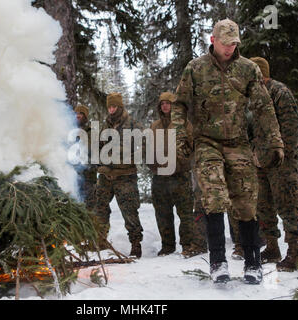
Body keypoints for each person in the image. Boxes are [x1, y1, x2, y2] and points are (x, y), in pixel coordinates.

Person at [171, 19, 284, 284]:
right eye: (225, 43)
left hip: (238, 143)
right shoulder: (195, 69)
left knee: (246, 203)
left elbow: (264, 108)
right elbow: (179, 105)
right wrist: (179, 134)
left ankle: (253, 263)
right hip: (207, 142)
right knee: (214, 196)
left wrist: (276, 141)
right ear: (213, 40)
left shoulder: (248, 69)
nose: (230, 48)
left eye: (234, 44)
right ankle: (218, 262)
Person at [249, 57, 298, 272]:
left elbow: (291, 126)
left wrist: (280, 153)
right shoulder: (251, 97)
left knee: (288, 205)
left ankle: (293, 252)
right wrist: (253, 152)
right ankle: (272, 247)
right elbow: (249, 129)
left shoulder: (279, 91)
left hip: (281, 162)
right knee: (263, 206)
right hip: (259, 162)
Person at [149, 92, 207, 258]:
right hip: (160, 176)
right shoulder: (155, 126)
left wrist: (181, 162)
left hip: (180, 176)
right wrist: (153, 164)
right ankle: (167, 245)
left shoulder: (185, 125)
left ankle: (187, 244)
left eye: (169, 103)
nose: (165, 106)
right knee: (162, 213)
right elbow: (148, 147)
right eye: (162, 104)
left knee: (185, 212)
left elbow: (192, 147)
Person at [93, 92, 144, 258]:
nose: (111, 109)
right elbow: (99, 145)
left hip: (125, 175)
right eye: (109, 107)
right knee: (99, 208)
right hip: (106, 176)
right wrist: (100, 161)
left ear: (120, 107)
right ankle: (100, 242)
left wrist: (134, 156)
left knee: (129, 211)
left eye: (114, 106)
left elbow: (146, 141)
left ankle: (136, 244)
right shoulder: (106, 125)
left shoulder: (132, 124)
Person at [73, 105, 98, 211]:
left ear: (85, 117)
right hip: (71, 177)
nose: (78, 116)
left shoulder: (91, 133)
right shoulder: (68, 131)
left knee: (89, 210)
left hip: (87, 178)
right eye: (77, 113)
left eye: (81, 114)